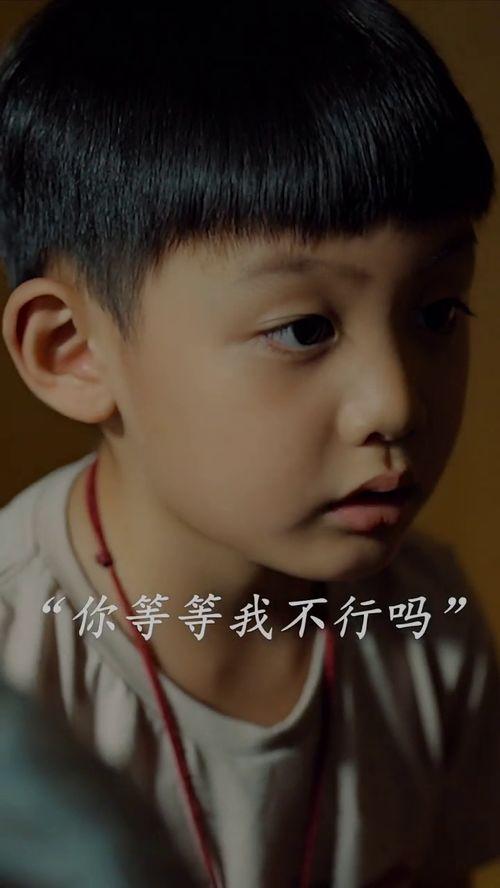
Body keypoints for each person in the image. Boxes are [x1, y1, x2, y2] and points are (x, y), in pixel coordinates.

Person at [0, 0, 498, 885]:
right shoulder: (19, 667)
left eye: (436, 313)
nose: (395, 403)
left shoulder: (428, 622)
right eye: (304, 329)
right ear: (73, 352)